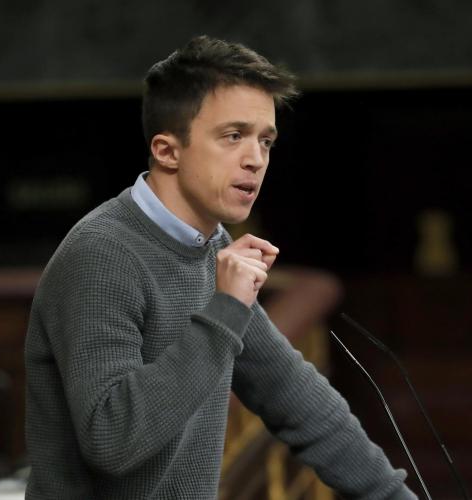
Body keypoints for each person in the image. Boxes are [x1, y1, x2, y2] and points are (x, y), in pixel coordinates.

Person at [24, 35, 417, 499]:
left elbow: (296, 399)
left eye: (265, 140)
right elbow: (113, 439)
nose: (256, 160)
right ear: (167, 150)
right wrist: (225, 309)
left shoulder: (210, 246)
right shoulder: (101, 254)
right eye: (233, 136)